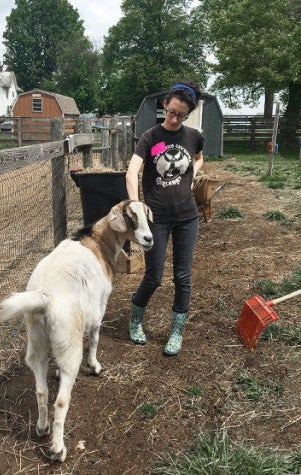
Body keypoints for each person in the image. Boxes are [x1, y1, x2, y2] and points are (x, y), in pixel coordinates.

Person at [125, 80, 204, 356]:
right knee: (154, 276)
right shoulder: (150, 137)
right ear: (164, 104)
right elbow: (132, 171)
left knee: (183, 277)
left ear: (188, 114)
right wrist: (136, 207)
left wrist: (193, 175)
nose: (174, 118)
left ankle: (176, 331)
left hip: (187, 217)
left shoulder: (193, 135)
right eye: (171, 111)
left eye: (180, 115)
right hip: (156, 219)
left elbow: (198, 158)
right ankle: (135, 320)